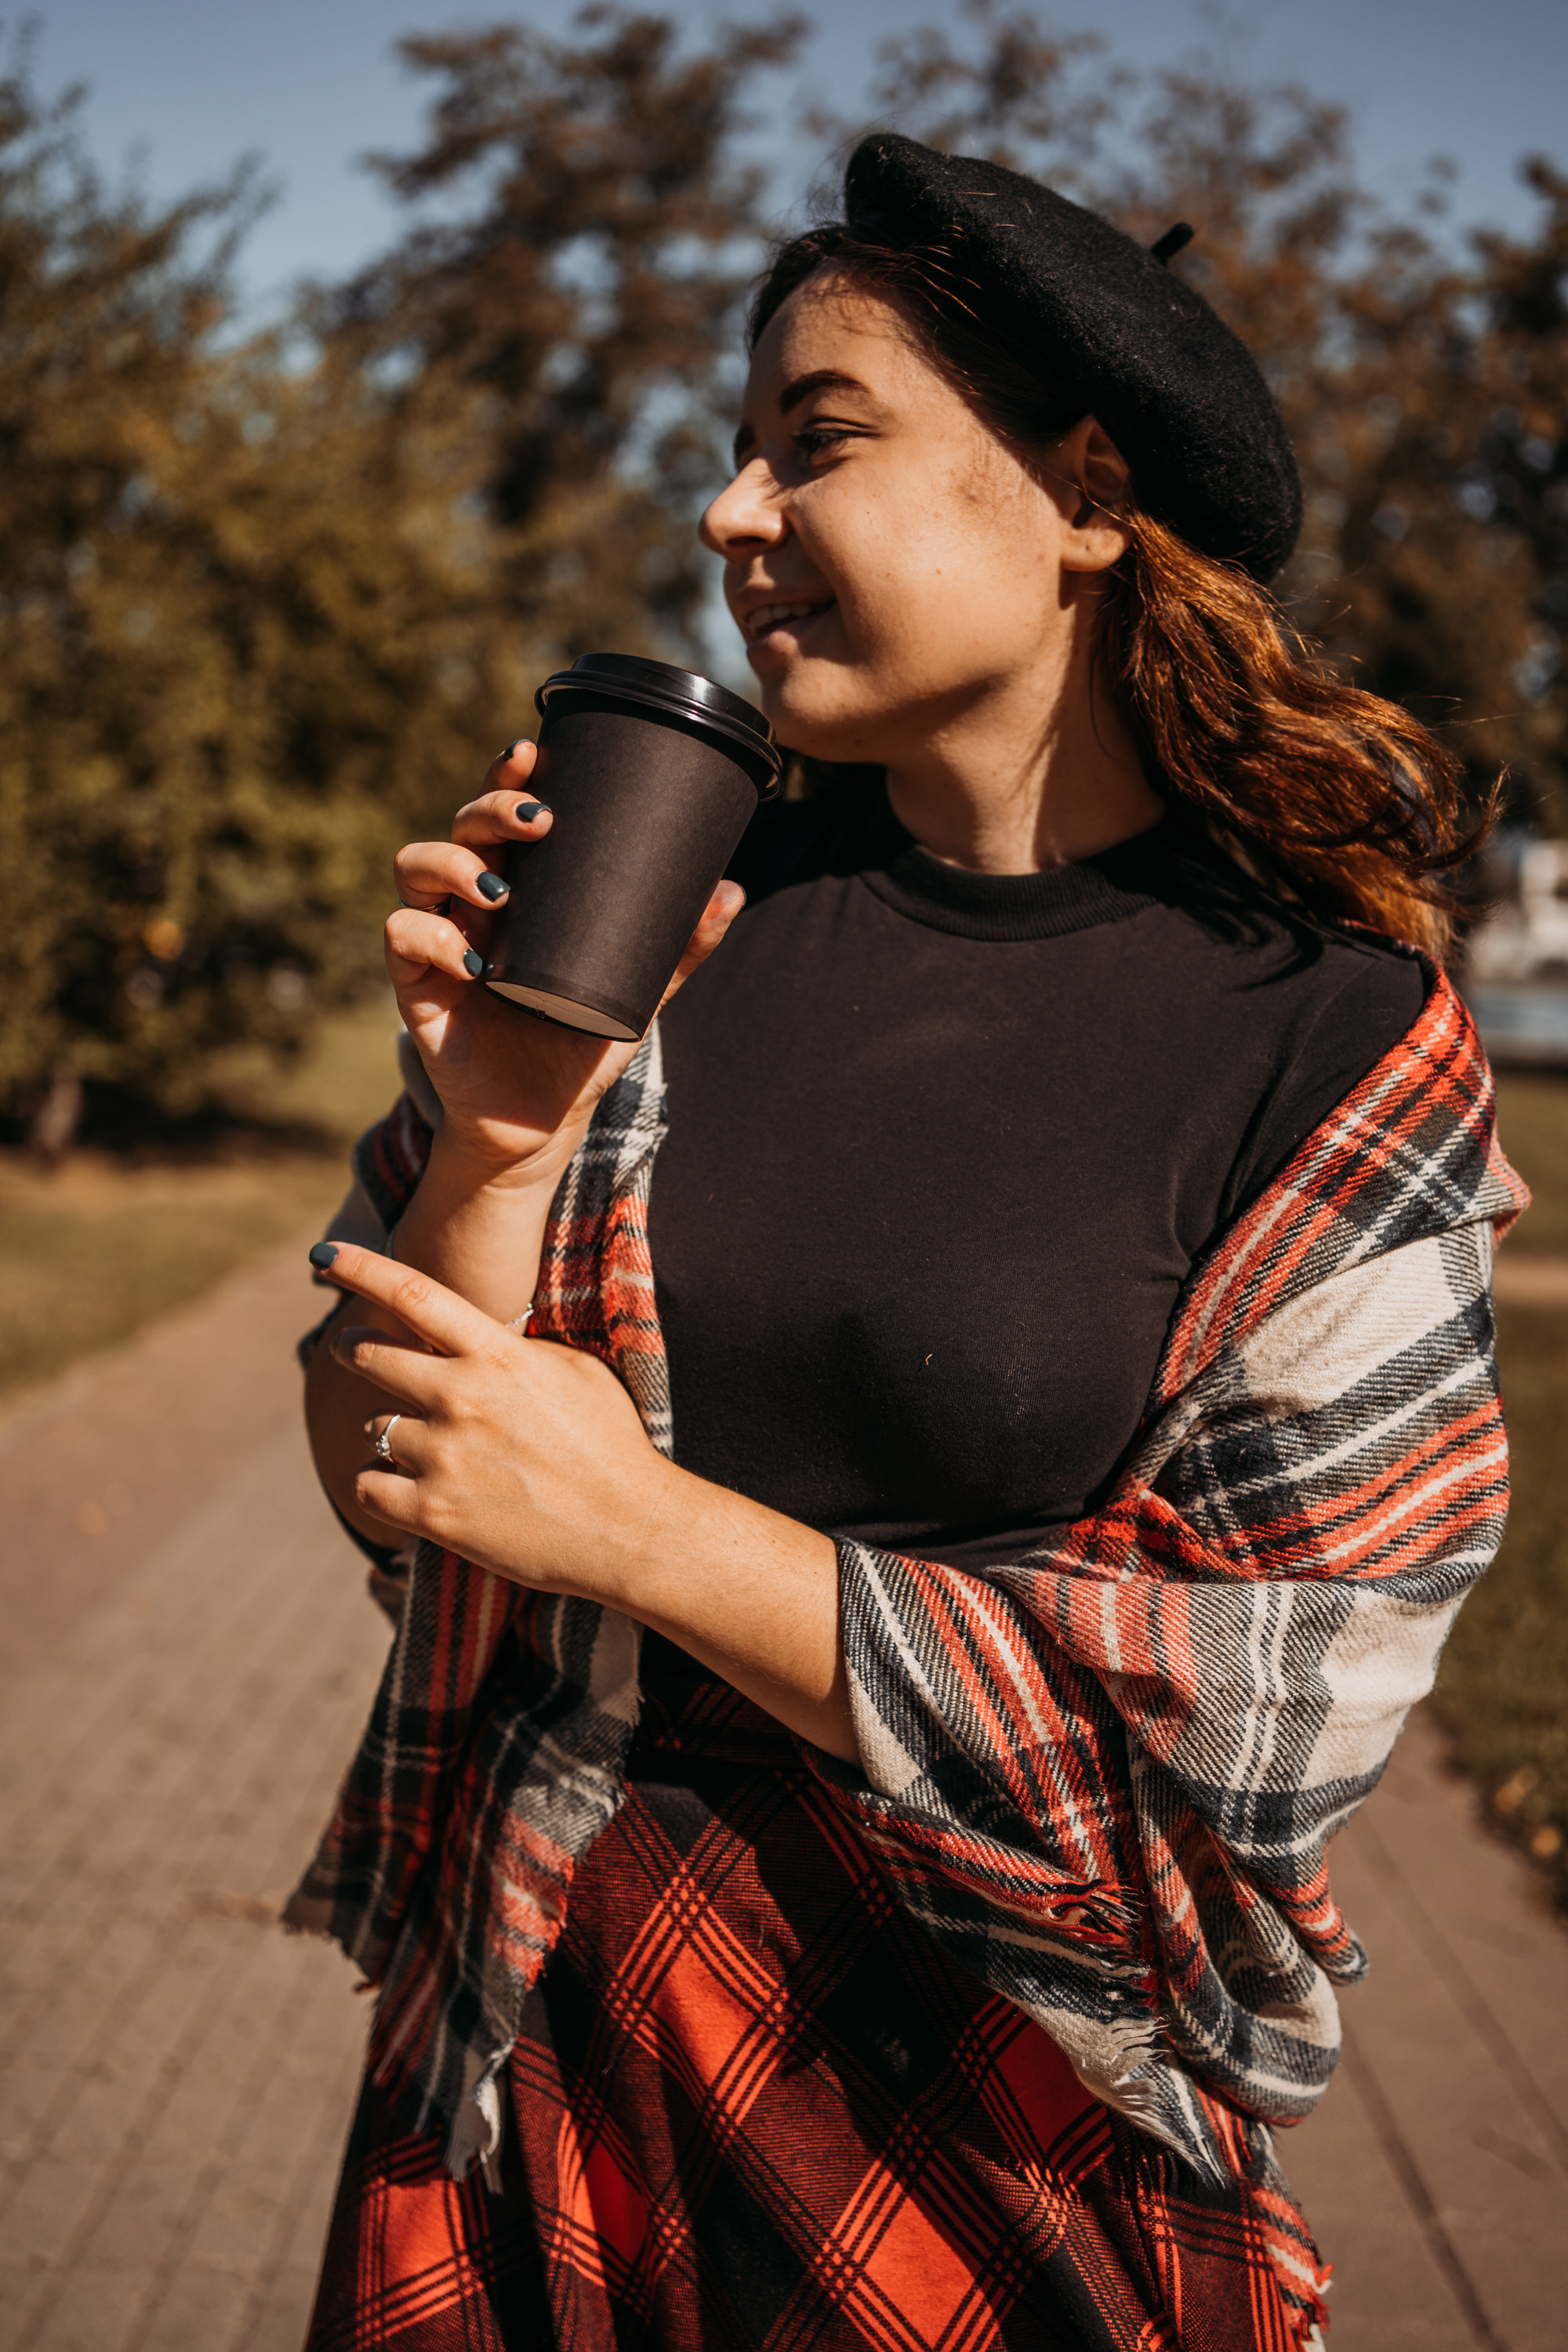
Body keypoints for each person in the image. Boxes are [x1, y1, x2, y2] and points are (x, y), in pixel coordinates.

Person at [289, 134, 1524, 2351]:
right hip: (531, 2036)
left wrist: (653, 1539)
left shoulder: (1331, 1036)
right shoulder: (686, 908)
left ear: (1084, 490)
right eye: (736, 451)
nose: (730, 515)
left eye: (817, 442)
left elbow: (1281, 1705)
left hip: (989, 2094)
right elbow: (405, 1504)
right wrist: (492, 1131)